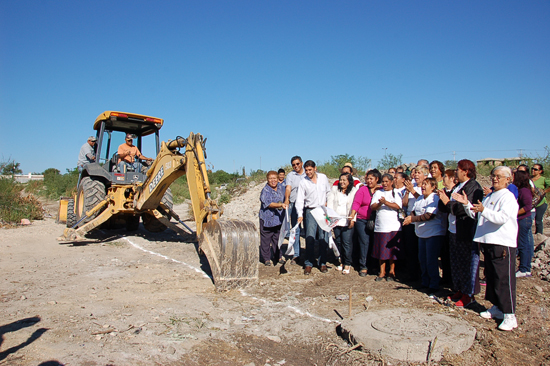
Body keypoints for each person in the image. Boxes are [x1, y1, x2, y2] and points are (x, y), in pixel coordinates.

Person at [453, 166, 519, 331]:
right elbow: (478, 215)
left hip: (502, 243)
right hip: (488, 242)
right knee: (492, 276)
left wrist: (484, 210)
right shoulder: (490, 196)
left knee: (503, 278)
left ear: (508, 179)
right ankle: (497, 306)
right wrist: (467, 204)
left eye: (498, 176)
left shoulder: (508, 197)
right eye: (493, 175)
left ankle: (510, 315)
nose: (494, 179)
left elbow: (502, 217)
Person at [437, 159, 483, 308]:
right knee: (455, 262)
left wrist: (447, 202)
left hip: (465, 231)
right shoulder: (458, 186)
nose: (455, 172)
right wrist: (444, 200)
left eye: (458, 169)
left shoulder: (473, 187)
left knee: (466, 264)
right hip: (453, 230)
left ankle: (468, 294)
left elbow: (462, 209)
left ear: (465, 171)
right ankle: (459, 289)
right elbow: (446, 207)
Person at [403, 178, 446, 292]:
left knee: (431, 260)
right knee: (422, 259)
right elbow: (414, 211)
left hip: (433, 233)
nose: (423, 186)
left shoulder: (434, 198)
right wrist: (409, 217)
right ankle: (425, 282)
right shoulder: (420, 198)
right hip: (421, 234)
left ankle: (434, 284)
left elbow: (429, 215)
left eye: (426, 184)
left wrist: (412, 219)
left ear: (433, 187)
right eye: (422, 184)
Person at [296, 160, 331, 275]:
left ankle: (322, 263)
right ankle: (309, 263)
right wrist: (300, 214)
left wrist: (328, 204)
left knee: (323, 237)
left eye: (310, 170)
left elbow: (328, 192)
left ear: (315, 168)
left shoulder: (323, 178)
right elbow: (300, 199)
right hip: (310, 211)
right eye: (306, 170)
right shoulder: (303, 182)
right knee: (310, 237)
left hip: (322, 210)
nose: (308, 172)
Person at [370, 173, 402, 281]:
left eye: (387, 181)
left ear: (392, 182)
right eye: (383, 181)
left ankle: (392, 271)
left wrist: (386, 202)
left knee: (392, 250)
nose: (384, 183)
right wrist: (380, 204)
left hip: (393, 226)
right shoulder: (378, 192)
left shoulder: (396, 193)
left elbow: (398, 206)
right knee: (381, 250)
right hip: (381, 226)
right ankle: (382, 271)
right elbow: (372, 206)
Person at [350, 169, 381, 277]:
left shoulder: (381, 190)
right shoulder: (362, 190)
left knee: (375, 242)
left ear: (377, 179)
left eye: (371, 179)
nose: (368, 181)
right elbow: (356, 203)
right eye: (367, 178)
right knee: (364, 242)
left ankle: (374, 265)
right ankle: (363, 265)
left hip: (376, 220)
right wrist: (352, 215)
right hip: (362, 220)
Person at [327, 173, 358, 274]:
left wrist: (353, 219)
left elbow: (355, 206)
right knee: (339, 242)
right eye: (341, 180)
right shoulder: (335, 190)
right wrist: (331, 218)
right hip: (337, 220)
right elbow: (330, 203)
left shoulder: (353, 191)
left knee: (347, 242)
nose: (342, 182)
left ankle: (348, 263)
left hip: (347, 220)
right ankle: (341, 261)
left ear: (349, 181)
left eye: (344, 180)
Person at [259, 171, 288, 266]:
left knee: (277, 239)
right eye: (270, 178)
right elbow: (269, 204)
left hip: (278, 219)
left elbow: (287, 193)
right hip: (267, 219)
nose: (273, 180)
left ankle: (278, 257)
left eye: (274, 178)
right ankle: (266, 258)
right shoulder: (265, 191)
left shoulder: (281, 187)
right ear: (267, 180)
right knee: (266, 240)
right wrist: (280, 204)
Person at [284, 156, 306, 264]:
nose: (296, 166)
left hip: (307, 205)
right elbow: (288, 187)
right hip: (294, 204)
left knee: (308, 230)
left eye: (297, 164)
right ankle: (296, 254)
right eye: (293, 165)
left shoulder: (307, 173)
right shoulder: (290, 175)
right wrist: (287, 199)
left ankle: (309, 253)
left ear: (301, 163)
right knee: (295, 230)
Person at [514, 170, 534, 277]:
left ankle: (524, 268)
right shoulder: (521, 190)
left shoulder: (524, 191)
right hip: (523, 219)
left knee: (523, 244)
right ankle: (525, 268)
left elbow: (527, 206)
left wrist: (514, 213)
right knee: (524, 243)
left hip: (523, 220)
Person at [531, 164, 550, 239]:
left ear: (540, 171)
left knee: (538, 220)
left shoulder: (543, 179)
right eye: (532, 169)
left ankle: (539, 236)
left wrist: (544, 191)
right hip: (531, 203)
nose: (533, 170)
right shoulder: (530, 179)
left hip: (541, 203)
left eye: (535, 169)